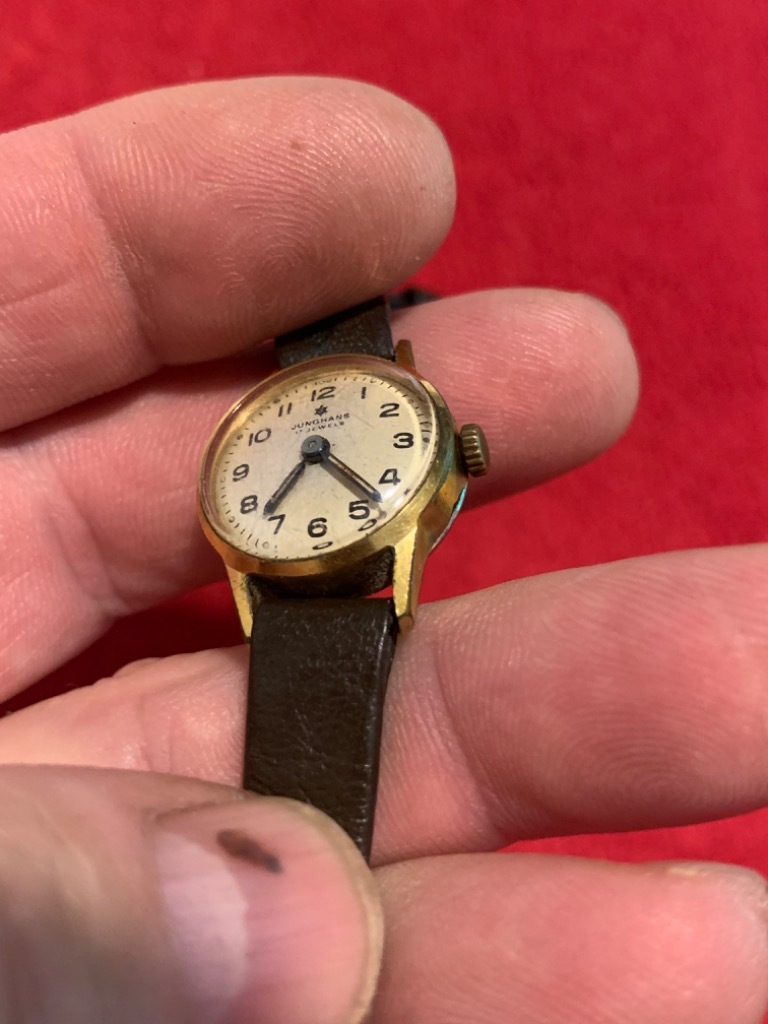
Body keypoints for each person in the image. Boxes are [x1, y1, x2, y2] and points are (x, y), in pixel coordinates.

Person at [0, 76, 765, 1024]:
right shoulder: (309, 441)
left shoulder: (398, 421)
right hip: (269, 573)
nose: (312, 447)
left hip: (343, 572)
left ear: (454, 452)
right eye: (298, 441)